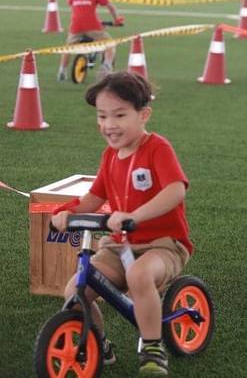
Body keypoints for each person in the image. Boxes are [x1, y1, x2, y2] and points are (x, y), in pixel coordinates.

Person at [51, 71, 192, 377]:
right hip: (119, 246)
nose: (109, 124)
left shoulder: (157, 148)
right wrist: (65, 212)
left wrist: (135, 216)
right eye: (102, 116)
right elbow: (93, 197)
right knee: (75, 290)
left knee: (140, 274)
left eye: (119, 115)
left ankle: (153, 345)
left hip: (163, 243)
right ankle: (99, 342)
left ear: (143, 115)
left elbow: (175, 189)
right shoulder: (110, 156)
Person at [58, 0, 124, 82]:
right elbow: (110, 6)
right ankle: (106, 67)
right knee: (110, 45)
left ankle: (62, 71)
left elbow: (73, 4)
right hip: (92, 25)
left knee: (67, 48)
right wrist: (117, 19)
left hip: (76, 26)